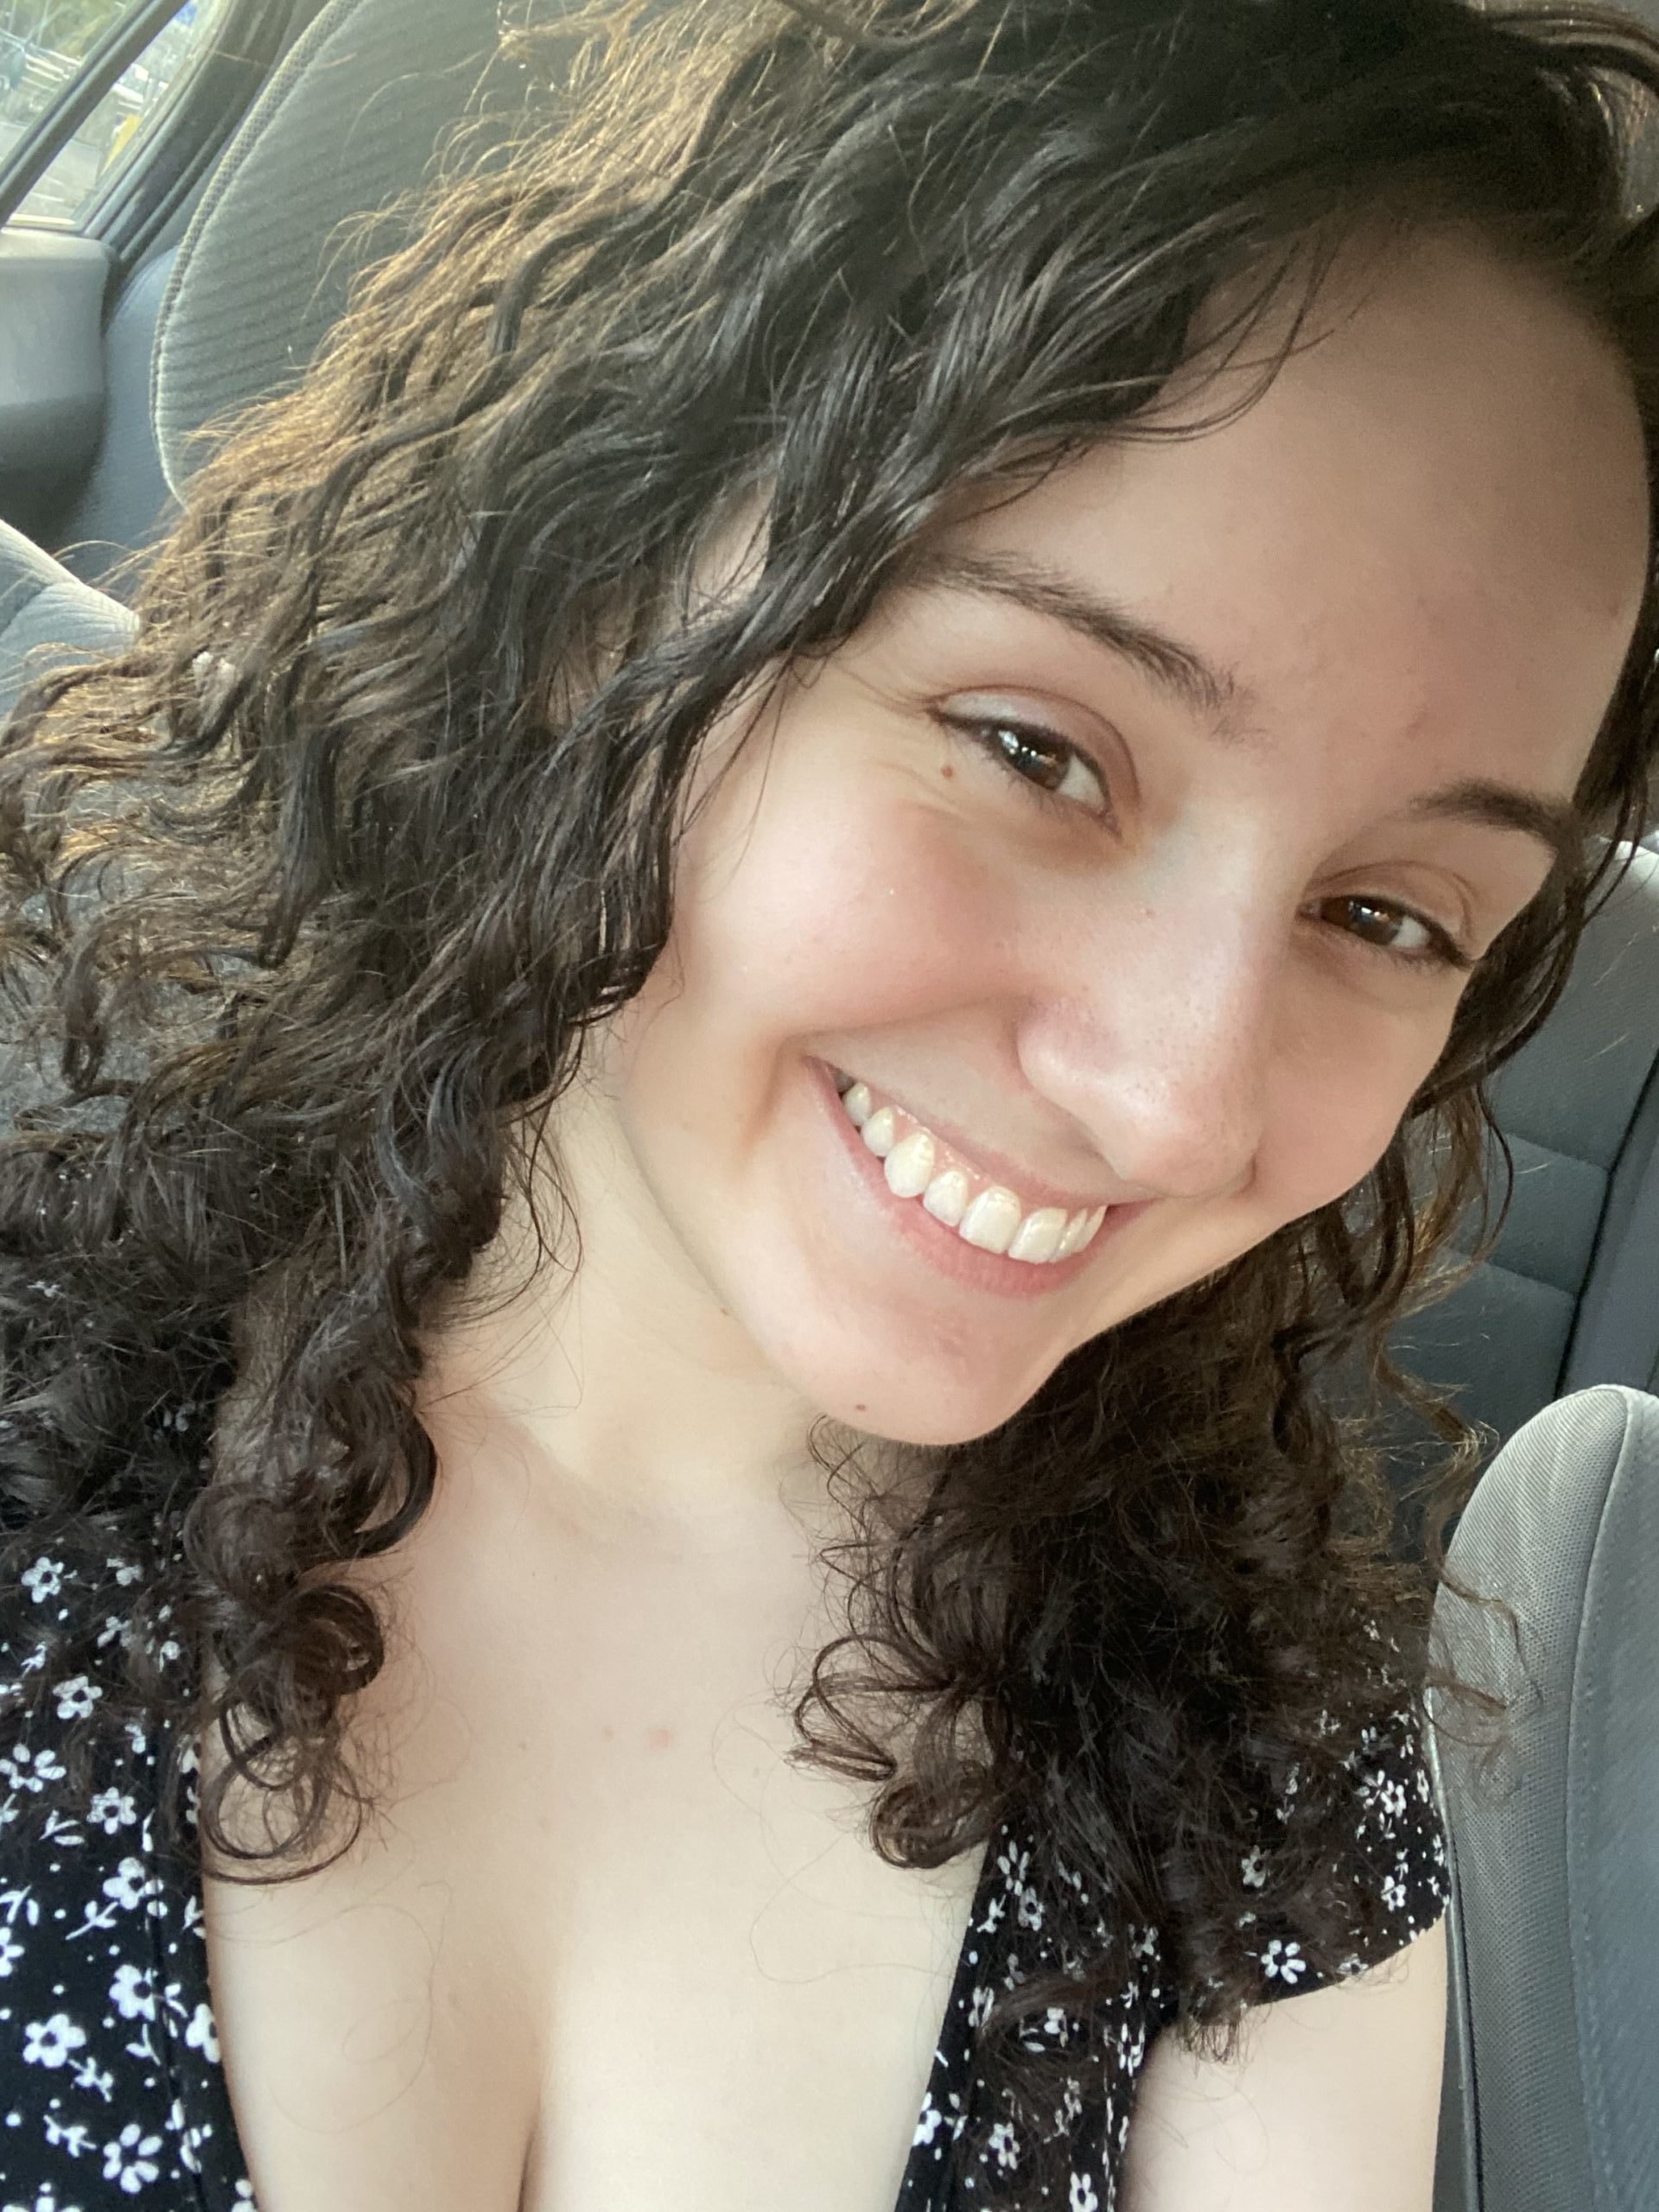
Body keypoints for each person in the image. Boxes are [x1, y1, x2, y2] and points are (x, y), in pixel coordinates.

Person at [0, 0, 1655, 2205]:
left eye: (1385, 912)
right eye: (1036, 746)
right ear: (595, 592)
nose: (1176, 1103)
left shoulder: (1250, 1772)